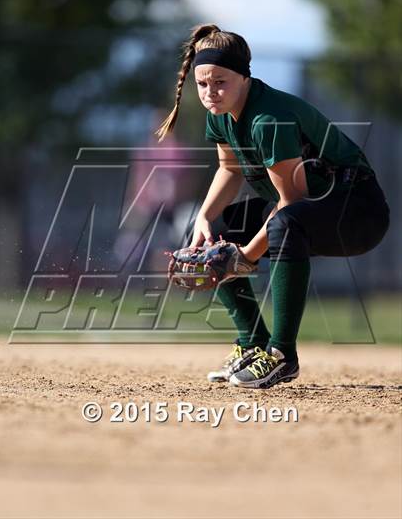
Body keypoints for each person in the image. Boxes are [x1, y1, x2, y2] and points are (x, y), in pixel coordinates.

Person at [155, 24, 390, 389]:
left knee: (284, 225)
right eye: (203, 83)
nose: (210, 91)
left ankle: (281, 356)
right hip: (312, 209)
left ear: (244, 77)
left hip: (358, 212)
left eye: (220, 81)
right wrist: (203, 218)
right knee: (207, 234)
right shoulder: (220, 114)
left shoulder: (268, 119)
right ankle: (253, 344)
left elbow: (289, 202)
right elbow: (229, 168)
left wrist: (245, 255)